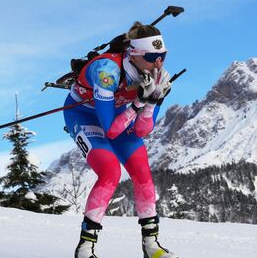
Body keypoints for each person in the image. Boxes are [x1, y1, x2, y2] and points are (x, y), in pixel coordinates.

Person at [63, 21, 178, 258]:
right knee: (110, 172)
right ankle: (85, 247)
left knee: (143, 172)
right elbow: (110, 131)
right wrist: (138, 103)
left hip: (119, 115)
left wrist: (152, 102)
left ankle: (151, 245)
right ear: (133, 54)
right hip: (86, 116)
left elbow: (141, 131)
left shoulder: (158, 75)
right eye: (152, 56)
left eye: (163, 55)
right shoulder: (107, 71)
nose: (158, 62)